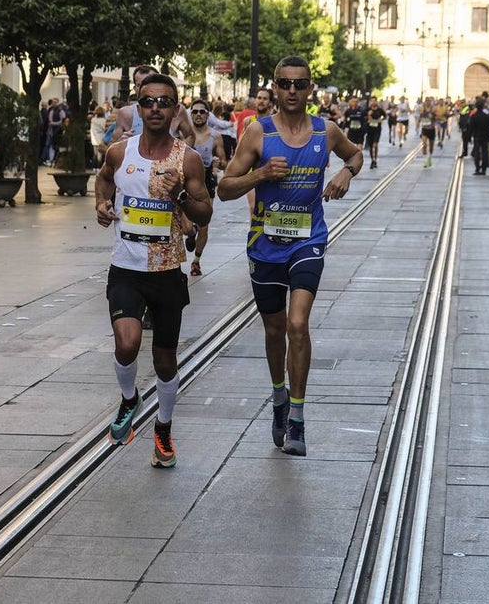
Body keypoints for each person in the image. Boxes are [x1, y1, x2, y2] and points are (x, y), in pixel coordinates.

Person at [217, 55, 363, 456]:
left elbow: (355, 154)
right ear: (275, 88)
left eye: (300, 84)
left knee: (298, 323)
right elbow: (225, 188)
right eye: (285, 84)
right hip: (265, 244)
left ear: (310, 88)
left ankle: (297, 417)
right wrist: (261, 175)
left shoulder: (325, 131)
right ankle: (279, 396)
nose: (292, 91)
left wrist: (346, 172)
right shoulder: (258, 133)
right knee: (275, 330)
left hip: (307, 240)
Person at [95, 73, 213, 468]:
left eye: (164, 102)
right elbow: (103, 182)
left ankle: (163, 427)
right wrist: (101, 205)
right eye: (148, 102)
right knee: (127, 344)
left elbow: (204, 212)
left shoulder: (187, 159)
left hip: (166, 272)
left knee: (164, 360)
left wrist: (179, 194)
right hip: (126, 268)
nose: (156, 108)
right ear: (138, 107)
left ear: (176, 109)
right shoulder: (119, 152)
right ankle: (130, 399)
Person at [185, 99, 225, 277]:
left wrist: (218, 162)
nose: (198, 115)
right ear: (190, 114)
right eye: (195, 111)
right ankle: (190, 233)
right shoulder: (185, 134)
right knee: (186, 227)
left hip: (206, 181)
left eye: (202, 111)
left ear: (208, 115)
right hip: (186, 180)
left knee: (204, 224)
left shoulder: (215, 136)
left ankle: (196, 261)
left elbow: (224, 161)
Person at [469, 96, 489, 175]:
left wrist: (470, 136)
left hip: (477, 136)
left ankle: (477, 168)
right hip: (485, 136)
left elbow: (471, 127)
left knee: (477, 152)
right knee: (484, 152)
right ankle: (484, 169)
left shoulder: (474, 116)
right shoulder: (486, 116)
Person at [365, 98, 385, 169]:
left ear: (376, 102)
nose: (373, 102)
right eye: (372, 101)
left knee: (375, 145)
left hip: (377, 129)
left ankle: (375, 159)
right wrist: (368, 116)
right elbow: (364, 117)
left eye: (374, 101)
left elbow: (384, 116)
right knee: (371, 146)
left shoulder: (379, 110)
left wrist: (381, 119)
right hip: (370, 129)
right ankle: (372, 160)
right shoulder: (367, 110)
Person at [418, 98, 436, 168]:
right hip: (424, 129)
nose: (428, 102)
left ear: (430, 102)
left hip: (431, 129)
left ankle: (429, 158)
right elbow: (420, 116)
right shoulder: (422, 108)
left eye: (429, 101)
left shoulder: (433, 109)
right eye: (426, 101)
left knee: (431, 147)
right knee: (424, 144)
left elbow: (435, 117)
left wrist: (432, 116)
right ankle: (425, 161)